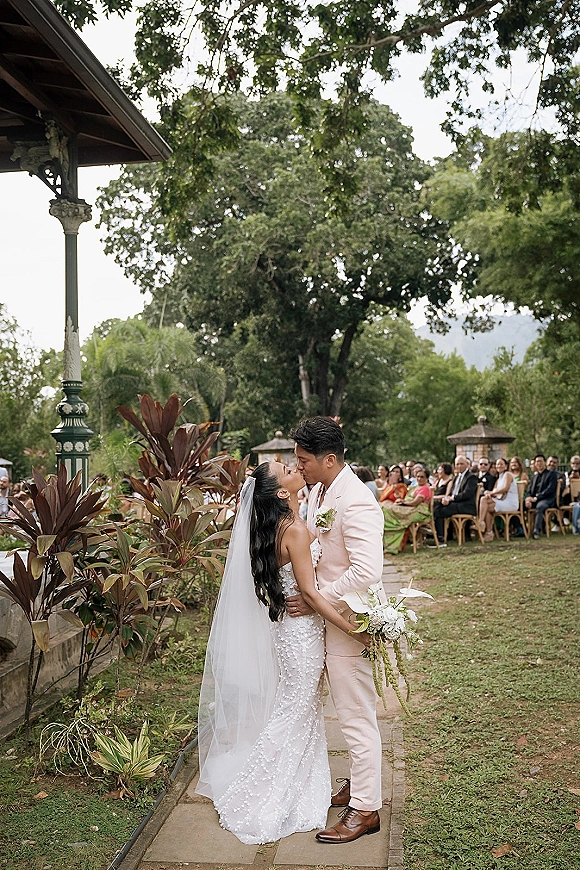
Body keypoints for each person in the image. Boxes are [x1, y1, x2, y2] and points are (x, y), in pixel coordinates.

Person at [196, 461, 368, 845]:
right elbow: (308, 595)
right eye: (287, 468)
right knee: (295, 710)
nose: (295, 467)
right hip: (302, 635)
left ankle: (303, 785)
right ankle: (258, 792)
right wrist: (354, 630)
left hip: (286, 633)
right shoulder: (295, 529)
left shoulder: (272, 527)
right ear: (281, 492)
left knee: (298, 708)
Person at [287, 417, 384, 844]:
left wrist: (316, 595)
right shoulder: (321, 490)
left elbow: (368, 570)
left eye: (304, 460)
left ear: (329, 459)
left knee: (356, 716)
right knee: (344, 715)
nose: (299, 467)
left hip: (350, 622)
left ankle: (366, 809)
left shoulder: (358, 501)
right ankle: (361, 786)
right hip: (327, 618)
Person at [382, 465, 432, 554]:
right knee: (385, 509)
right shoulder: (416, 487)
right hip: (410, 508)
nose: (419, 479)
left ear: (427, 478)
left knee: (395, 519)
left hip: (419, 511)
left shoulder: (425, 488)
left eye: (422, 477)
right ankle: (386, 545)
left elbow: (415, 502)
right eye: (418, 476)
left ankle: (392, 548)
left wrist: (403, 502)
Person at [432, 455, 478, 545]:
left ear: (467, 464)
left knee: (439, 511)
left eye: (462, 464)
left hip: (466, 505)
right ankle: (441, 536)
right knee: (437, 505)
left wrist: (452, 498)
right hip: (455, 503)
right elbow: (452, 493)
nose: (459, 466)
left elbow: (467, 494)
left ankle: (441, 538)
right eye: (457, 464)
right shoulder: (456, 477)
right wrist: (446, 499)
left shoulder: (471, 477)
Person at [477, 456, 519, 541]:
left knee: (486, 506)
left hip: (510, 502)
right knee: (484, 500)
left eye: (501, 464)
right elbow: (494, 491)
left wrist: (491, 493)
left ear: (506, 466)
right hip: (501, 501)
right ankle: (485, 528)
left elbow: (505, 488)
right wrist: (488, 493)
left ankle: (482, 525)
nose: (499, 466)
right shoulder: (499, 478)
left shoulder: (508, 474)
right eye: (497, 464)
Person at [525, 454, 558, 539]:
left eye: (540, 461)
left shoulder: (551, 474)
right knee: (520, 506)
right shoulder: (534, 477)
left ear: (545, 462)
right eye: (536, 462)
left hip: (547, 499)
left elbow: (550, 489)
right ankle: (521, 530)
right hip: (534, 500)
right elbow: (529, 491)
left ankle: (536, 531)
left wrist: (536, 498)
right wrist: (528, 500)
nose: (538, 463)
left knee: (540, 507)